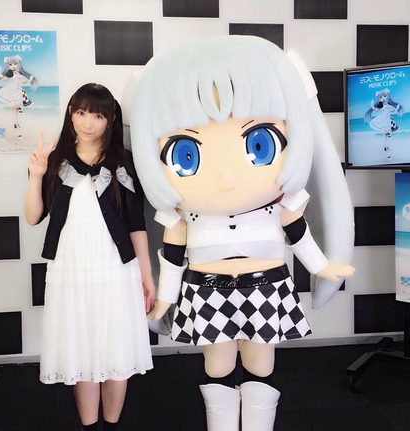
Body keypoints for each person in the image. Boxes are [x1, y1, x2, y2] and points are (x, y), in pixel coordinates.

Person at [129, 36, 354, 431]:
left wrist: (322, 266)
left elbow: (297, 231)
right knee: (217, 364)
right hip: (206, 289)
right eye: (186, 154)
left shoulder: (280, 203)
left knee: (260, 363)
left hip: (266, 285)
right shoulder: (181, 214)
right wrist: (164, 300)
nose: (227, 175)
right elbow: (172, 256)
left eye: (259, 143)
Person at [24, 83, 154, 431]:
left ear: (111, 119)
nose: (87, 122)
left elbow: (136, 224)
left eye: (97, 115)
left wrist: (146, 275)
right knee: (81, 355)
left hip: (116, 269)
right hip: (71, 269)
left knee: (116, 353)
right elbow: (33, 217)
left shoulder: (125, 163)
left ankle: (111, 425)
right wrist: (35, 176)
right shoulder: (54, 161)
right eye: (81, 112)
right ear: (71, 114)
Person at [0, 55, 38, 138]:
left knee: (17, 108)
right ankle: (15, 124)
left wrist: (29, 80)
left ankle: (15, 124)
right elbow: (5, 79)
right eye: (10, 64)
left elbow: (22, 82)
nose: (13, 66)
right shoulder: (10, 72)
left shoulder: (19, 72)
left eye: (15, 64)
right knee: (15, 107)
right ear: (8, 65)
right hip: (13, 90)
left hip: (19, 90)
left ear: (18, 64)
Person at [364, 88, 404, 160]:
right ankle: (385, 146)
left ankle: (386, 144)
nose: (383, 98)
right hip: (383, 118)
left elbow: (391, 110)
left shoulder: (388, 103)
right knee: (384, 132)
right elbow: (376, 110)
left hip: (388, 118)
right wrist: (372, 104)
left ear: (387, 96)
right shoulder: (380, 103)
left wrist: (397, 108)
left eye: (384, 96)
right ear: (379, 98)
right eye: (381, 97)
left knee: (387, 130)